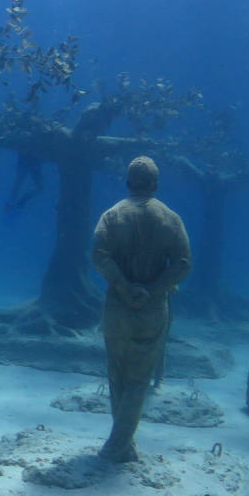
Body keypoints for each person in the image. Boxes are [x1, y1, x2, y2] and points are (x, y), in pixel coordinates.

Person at [91, 156, 191, 462]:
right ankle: (120, 445)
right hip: (152, 310)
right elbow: (183, 264)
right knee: (138, 380)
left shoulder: (111, 215)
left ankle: (120, 443)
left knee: (117, 375)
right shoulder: (171, 219)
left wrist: (123, 286)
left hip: (117, 309)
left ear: (128, 182)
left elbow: (99, 256)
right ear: (156, 185)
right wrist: (152, 290)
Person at [4, 152, 43, 216]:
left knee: (18, 182)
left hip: (26, 158)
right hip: (34, 160)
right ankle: (19, 202)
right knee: (38, 187)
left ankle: (12, 203)